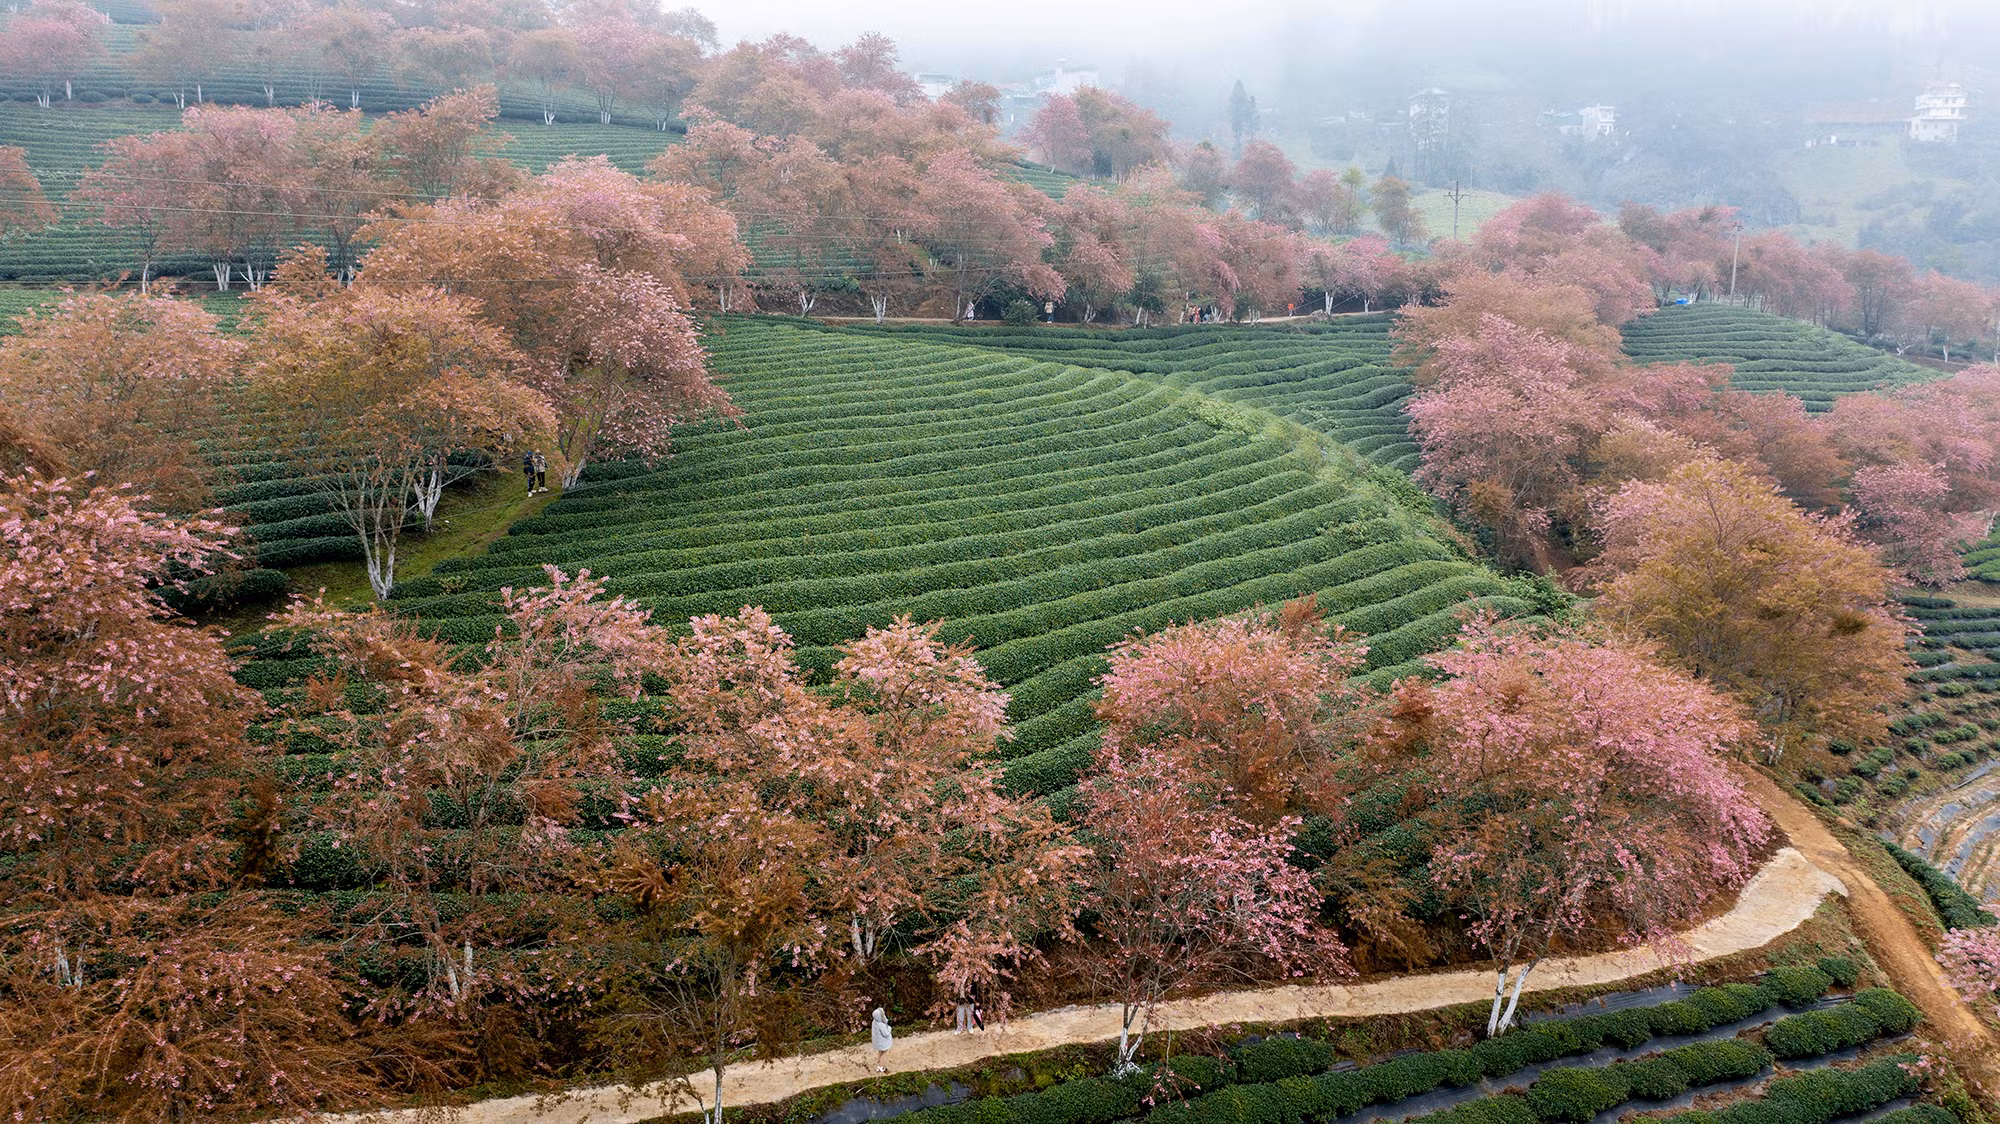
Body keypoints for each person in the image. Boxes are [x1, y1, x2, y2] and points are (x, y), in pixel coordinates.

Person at [870, 1007, 893, 1071]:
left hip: (878, 1042)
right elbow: (886, 1033)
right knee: (884, 1053)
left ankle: (878, 1063)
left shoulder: (874, 1022)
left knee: (880, 1052)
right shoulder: (881, 1025)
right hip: (883, 1043)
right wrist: (889, 1028)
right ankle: (881, 1066)